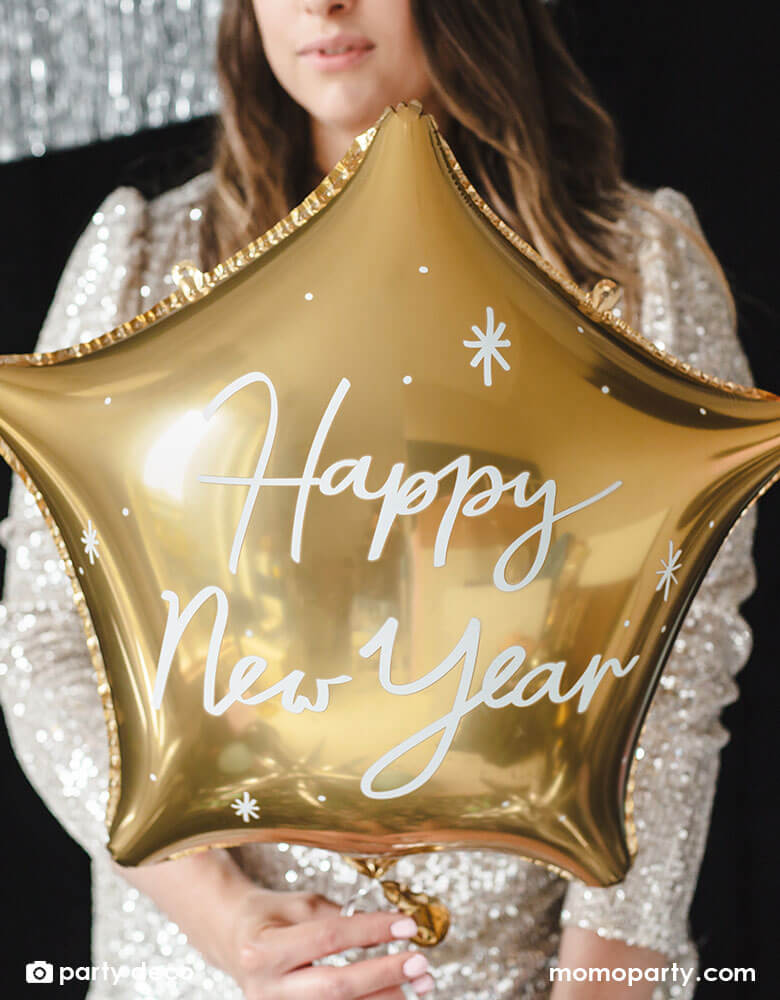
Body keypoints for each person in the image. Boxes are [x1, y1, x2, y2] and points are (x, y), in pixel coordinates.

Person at [0, 1, 759, 998]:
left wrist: (604, 978)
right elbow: (47, 643)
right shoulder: (146, 267)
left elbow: (678, 656)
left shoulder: (630, 271)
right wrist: (227, 923)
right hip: (200, 968)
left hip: (517, 970)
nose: (324, 6)